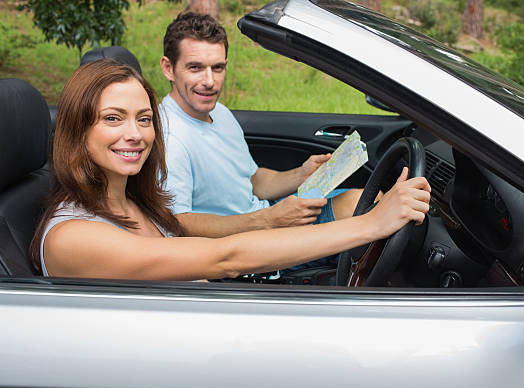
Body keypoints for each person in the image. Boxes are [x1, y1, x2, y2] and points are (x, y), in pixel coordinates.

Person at [30, 59, 431, 280]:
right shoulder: (72, 237)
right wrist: (372, 224)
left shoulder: (135, 200)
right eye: (113, 119)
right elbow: (225, 256)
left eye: (144, 119)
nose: (135, 134)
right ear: (79, 131)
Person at [159, 12, 365, 239]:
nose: (209, 82)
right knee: (357, 206)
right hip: (245, 245)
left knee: (369, 197)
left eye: (217, 68)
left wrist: (301, 175)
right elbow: (177, 223)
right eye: (195, 68)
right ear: (168, 68)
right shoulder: (170, 138)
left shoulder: (220, 112)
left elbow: (253, 180)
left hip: (262, 217)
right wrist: (268, 220)